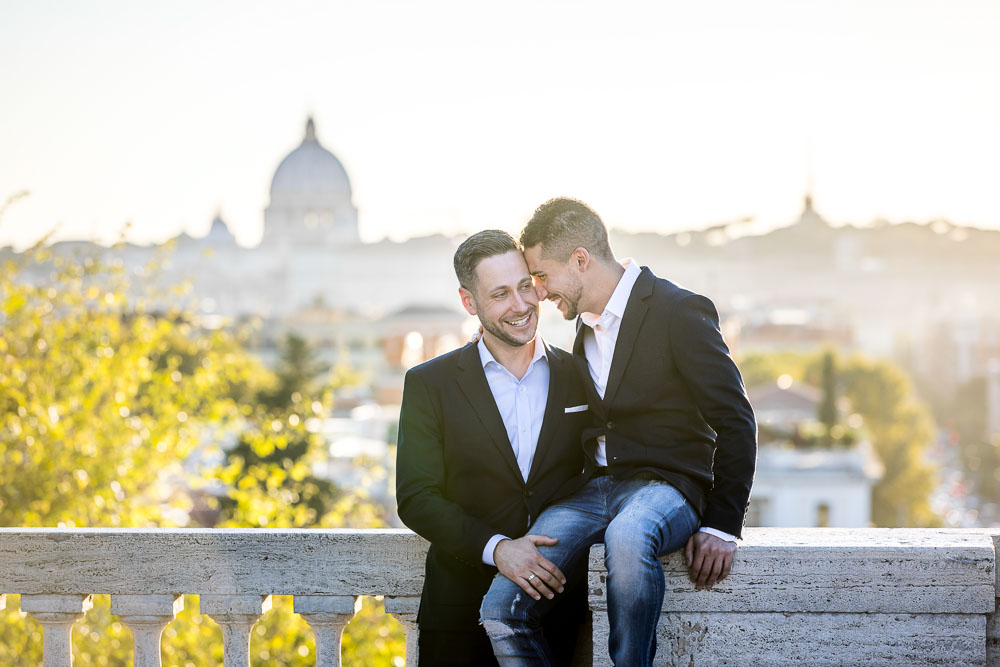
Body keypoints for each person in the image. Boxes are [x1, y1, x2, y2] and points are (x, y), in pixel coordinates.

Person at [480, 198, 758, 667]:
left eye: (542, 276)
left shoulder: (679, 310)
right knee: (501, 607)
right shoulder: (584, 331)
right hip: (595, 491)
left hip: (667, 488)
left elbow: (735, 417)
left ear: (581, 260)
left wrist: (723, 524)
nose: (540, 294)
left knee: (628, 537)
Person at [396, 229, 593, 666]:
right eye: (500, 294)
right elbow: (416, 497)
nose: (521, 305)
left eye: (526, 287)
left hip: (556, 614)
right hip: (457, 619)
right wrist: (498, 547)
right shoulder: (430, 384)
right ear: (469, 302)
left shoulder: (579, 375)